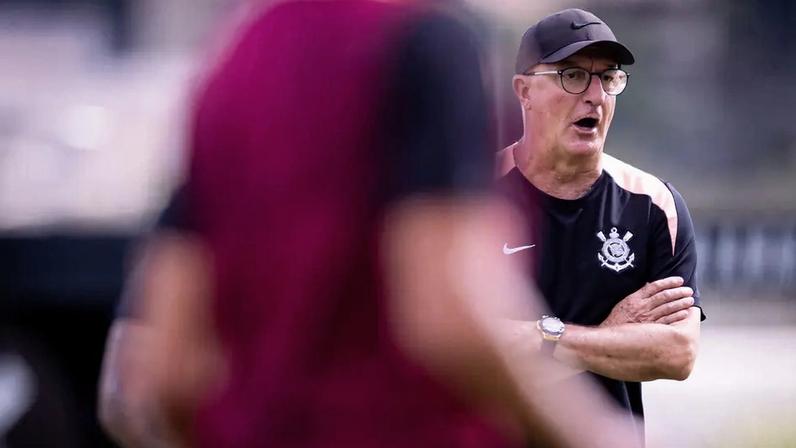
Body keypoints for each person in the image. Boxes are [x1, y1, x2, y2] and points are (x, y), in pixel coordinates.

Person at [99, 2, 643, 447]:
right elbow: (445, 316)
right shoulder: (426, 41)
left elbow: (163, 368)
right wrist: (592, 434)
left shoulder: (228, 72)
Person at [496, 7, 706, 445]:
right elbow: (467, 353)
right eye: (572, 75)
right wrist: (611, 337)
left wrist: (543, 339)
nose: (595, 95)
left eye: (608, 78)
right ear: (524, 90)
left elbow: (678, 352)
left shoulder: (653, 205)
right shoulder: (472, 196)